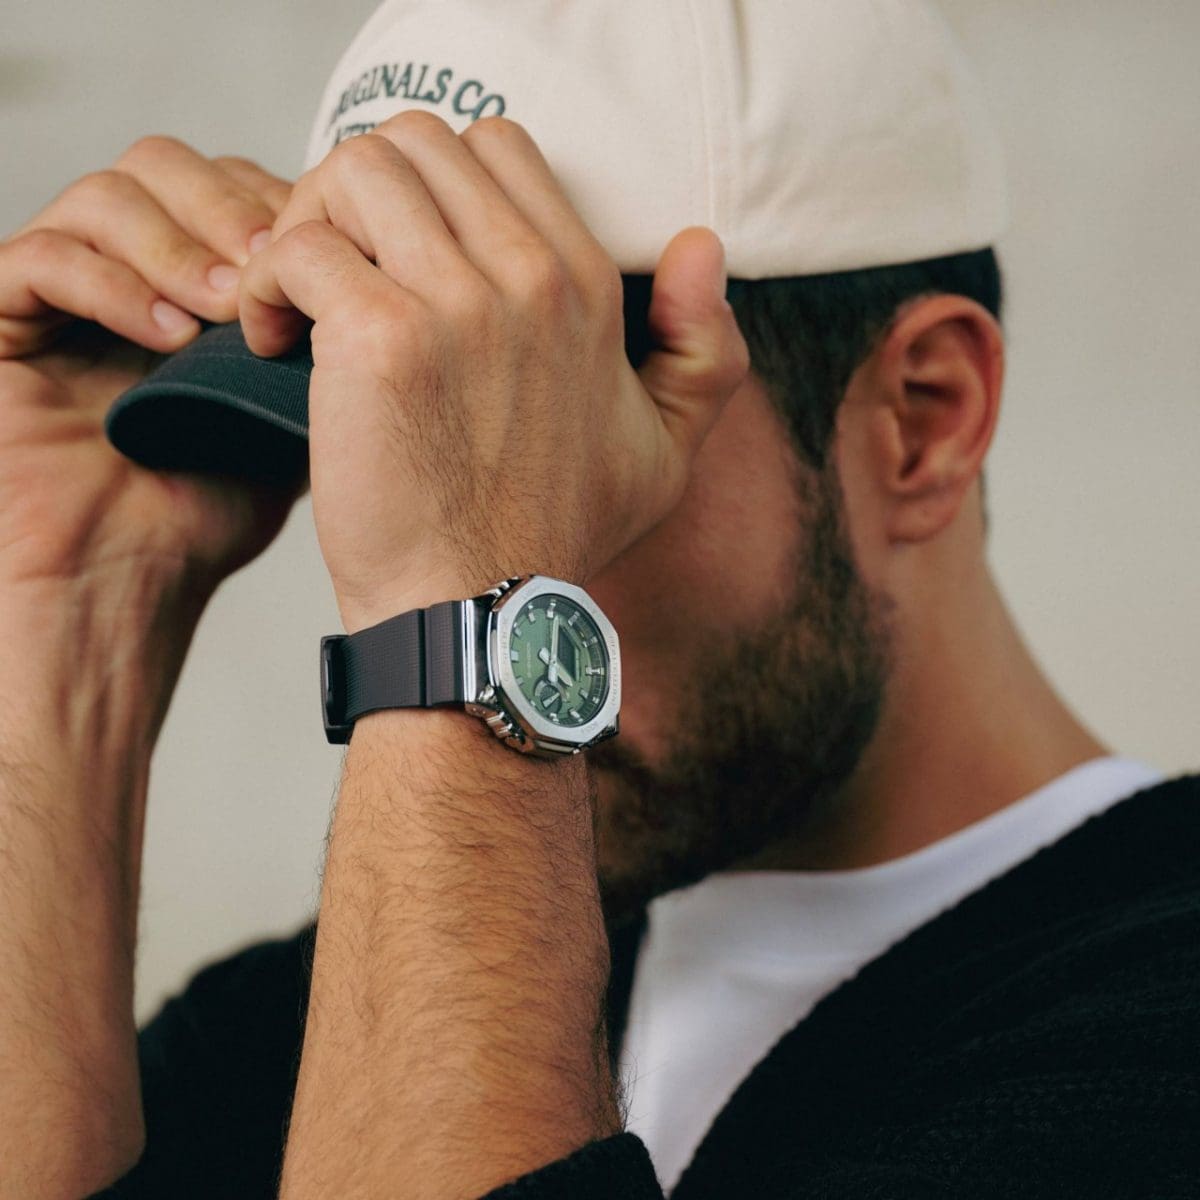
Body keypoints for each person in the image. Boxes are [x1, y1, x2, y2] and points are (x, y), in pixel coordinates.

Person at [0, 2, 1196, 1198]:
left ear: (922, 420)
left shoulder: (1150, 1027)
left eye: (549, 441)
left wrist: (463, 611)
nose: (399, 544)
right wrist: (65, 613)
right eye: (399, 419)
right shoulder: (289, 1035)